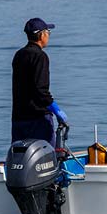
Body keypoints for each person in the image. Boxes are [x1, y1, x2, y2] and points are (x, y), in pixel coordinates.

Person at [11, 17, 68, 147]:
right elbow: (41, 90)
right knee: (45, 156)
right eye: (48, 32)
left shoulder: (19, 55)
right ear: (41, 35)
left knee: (21, 154)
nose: (48, 35)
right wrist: (56, 110)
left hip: (19, 117)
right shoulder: (40, 56)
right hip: (38, 119)